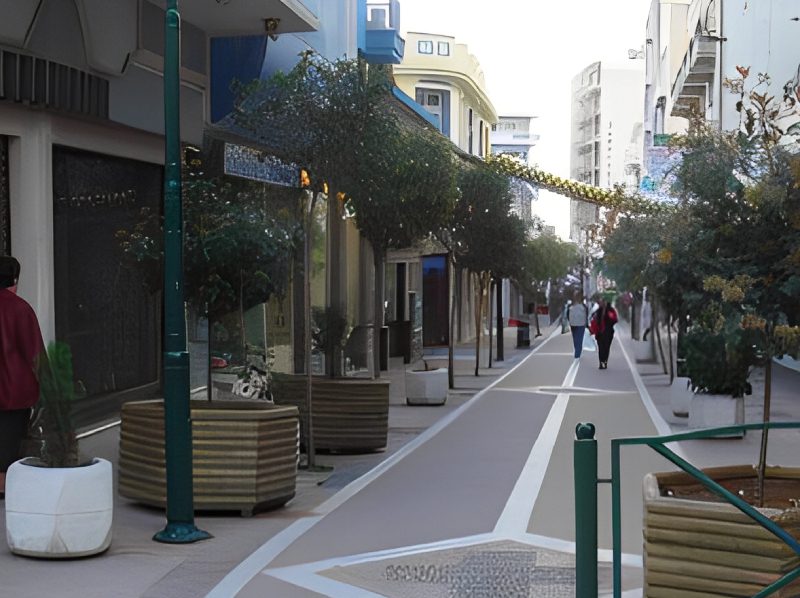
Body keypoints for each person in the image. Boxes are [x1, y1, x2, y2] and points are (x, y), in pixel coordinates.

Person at [0, 256, 45, 497]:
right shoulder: (20, 309)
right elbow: (35, 352)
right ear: (14, 280)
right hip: (15, 391)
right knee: (9, 441)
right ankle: (5, 486)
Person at [590, 296, 618, 370]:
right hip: (599, 332)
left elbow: (615, 320)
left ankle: (605, 361)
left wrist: (610, 318)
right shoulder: (597, 311)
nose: (601, 304)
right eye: (600, 302)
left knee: (606, 348)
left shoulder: (611, 310)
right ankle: (601, 362)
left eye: (602, 302)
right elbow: (592, 319)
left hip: (608, 332)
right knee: (601, 348)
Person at [567, 293, 589, 358]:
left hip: (576, 324)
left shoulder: (571, 306)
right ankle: (577, 352)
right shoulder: (583, 306)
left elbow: (567, 314)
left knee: (576, 339)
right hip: (579, 324)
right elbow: (586, 314)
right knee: (578, 339)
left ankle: (577, 353)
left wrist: (570, 321)